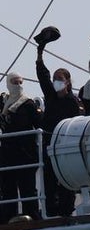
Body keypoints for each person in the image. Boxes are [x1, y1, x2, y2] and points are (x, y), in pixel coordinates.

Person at [35, 38, 82, 217]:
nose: (56, 82)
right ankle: (51, 212)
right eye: (55, 80)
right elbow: (42, 76)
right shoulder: (51, 96)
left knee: (66, 180)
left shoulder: (74, 102)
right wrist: (40, 52)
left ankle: (66, 212)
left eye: (60, 80)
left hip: (66, 147)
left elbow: (78, 123)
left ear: (68, 82)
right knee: (49, 180)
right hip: (49, 145)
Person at [0, 73, 42, 221]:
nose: (18, 86)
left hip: (26, 153)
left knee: (27, 188)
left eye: (20, 82)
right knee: (8, 188)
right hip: (7, 154)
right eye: (14, 82)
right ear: (8, 84)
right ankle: (7, 218)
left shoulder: (28, 104)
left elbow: (39, 124)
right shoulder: (3, 103)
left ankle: (33, 217)